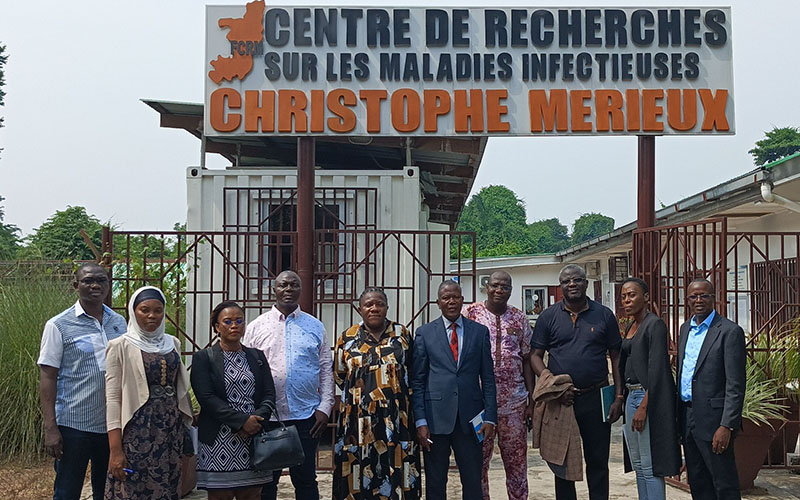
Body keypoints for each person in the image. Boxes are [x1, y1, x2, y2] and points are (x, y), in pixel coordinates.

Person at [530, 264, 624, 500]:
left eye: (577, 280)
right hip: (563, 401)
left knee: (598, 460)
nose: (572, 284)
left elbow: (616, 355)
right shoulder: (548, 317)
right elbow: (535, 356)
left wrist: (618, 397)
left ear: (586, 283)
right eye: (566, 281)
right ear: (561, 286)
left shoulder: (604, 315)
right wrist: (552, 386)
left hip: (596, 397)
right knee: (562, 462)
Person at [242, 270, 335, 500]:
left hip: (306, 417)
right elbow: (244, 370)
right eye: (283, 285)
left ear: (300, 290)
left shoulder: (314, 326)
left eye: (294, 285)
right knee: (266, 482)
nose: (288, 290)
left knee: (305, 481)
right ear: (274, 289)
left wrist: (325, 407)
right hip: (267, 417)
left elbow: (325, 368)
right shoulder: (256, 327)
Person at [38, 263, 127, 500]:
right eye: (88, 281)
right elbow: (48, 376)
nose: (95, 285)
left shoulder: (119, 322)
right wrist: (51, 428)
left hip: (110, 426)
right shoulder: (58, 325)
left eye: (102, 280)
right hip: (73, 425)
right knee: (67, 491)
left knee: (106, 491)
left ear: (109, 285)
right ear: (76, 285)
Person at [105, 286, 194, 500]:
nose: (152, 315)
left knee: (167, 488)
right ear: (133, 312)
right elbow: (113, 399)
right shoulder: (120, 346)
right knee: (133, 488)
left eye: (158, 310)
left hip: (169, 431)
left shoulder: (172, 343)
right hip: (137, 431)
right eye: (144, 310)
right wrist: (115, 450)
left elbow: (179, 390)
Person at [410, 280, 497, 500]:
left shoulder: (479, 332)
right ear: (438, 303)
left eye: (456, 297)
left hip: (471, 421)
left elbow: (487, 378)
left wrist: (491, 417)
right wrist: (420, 421)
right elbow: (417, 381)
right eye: (446, 298)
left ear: (462, 300)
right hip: (435, 420)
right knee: (436, 481)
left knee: (472, 481)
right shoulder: (425, 333)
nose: (451, 301)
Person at [332, 288, 421, 500]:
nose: (374, 308)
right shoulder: (347, 338)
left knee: (397, 468)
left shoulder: (402, 334)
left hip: (396, 420)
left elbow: (413, 371)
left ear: (387, 307)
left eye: (379, 304)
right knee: (357, 471)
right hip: (358, 421)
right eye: (368, 304)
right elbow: (340, 375)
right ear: (360, 309)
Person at [191, 301, 277, 500]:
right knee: (221, 496)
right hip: (218, 439)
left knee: (252, 495)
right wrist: (241, 422)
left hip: (254, 438)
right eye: (228, 321)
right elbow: (206, 397)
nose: (234, 325)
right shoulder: (204, 358)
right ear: (217, 327)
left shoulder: (256, 356)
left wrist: (255, 421)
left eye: (239, 320)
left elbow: (269, 393)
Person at [463, 271, 534, 500]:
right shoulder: (471, 314)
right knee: (478, 464)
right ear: (487, 287)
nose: (499, 290)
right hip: (479, 406)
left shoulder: (519, 318)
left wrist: (531, 399)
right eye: (495, 285)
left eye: (504, 286)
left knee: (516, 464)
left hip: (514, 404)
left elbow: (526, 358)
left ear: (511, 290)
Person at [677, 279, 745, 500]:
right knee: (697, 480)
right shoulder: (685, 329)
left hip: (715, 420)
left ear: (713, 298)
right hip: (688, 415)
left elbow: (735, 385)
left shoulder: (729, 331)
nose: (698, 300)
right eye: (693, 296)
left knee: (723, 483)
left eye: (704, 295)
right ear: (687, 300)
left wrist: (726, 425)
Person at [618, 278, 681, 500]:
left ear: (645, 297)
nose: (627, 300)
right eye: (624, 295)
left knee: (650, 464)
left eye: (632, 295)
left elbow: (658, 370)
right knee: (638, 463)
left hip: (645, 397)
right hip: (630, 395)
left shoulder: (654, 325)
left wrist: (644, 406)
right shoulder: (630, 326)